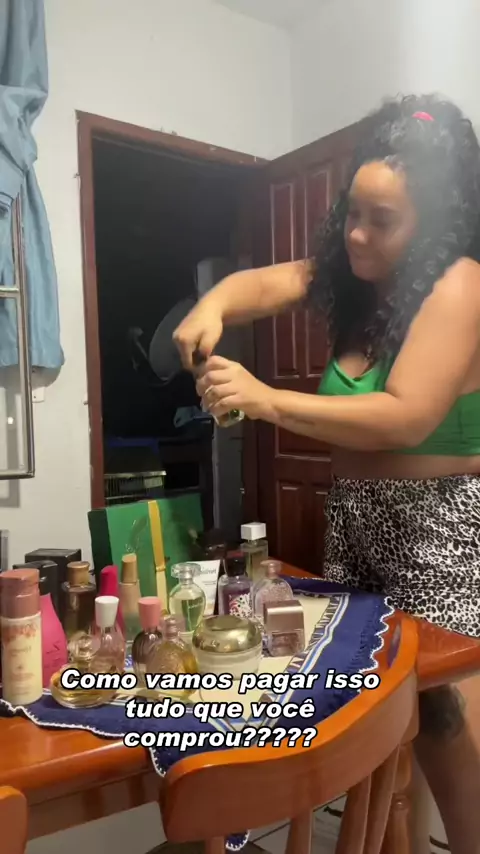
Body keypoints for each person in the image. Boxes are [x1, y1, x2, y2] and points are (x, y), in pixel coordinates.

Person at [174, 95, 480, 853]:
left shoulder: (461, 284)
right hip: (359, 518)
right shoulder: (356, 277)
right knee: (380, 723)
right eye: (352, 213)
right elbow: (258, 285)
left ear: (435, 224)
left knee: (446, 723)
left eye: (382, 220)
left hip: (437, 526)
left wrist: (263, 398)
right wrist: (213, 304)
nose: (356, 234)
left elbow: (405, 417)